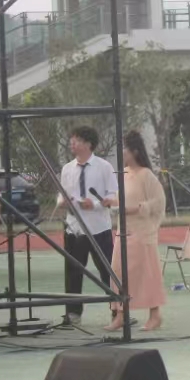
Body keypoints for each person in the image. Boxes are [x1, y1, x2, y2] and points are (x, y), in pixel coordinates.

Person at [101, 130, 166, 332]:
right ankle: (120, 314)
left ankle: (155, 315)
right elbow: (121, 199)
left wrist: (138, 208)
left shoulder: (147, 175)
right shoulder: (124, 174)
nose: (122, 153)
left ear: (135, 151)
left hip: (142, 233)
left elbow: (159, 202)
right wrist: (111, 201)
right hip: (124, 232)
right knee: (117, 272)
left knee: (147, 274)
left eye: (125, 149)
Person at [56, 126, 118, 326]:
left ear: (88, 144)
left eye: (76, 141)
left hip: (98, 227)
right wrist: (62, 202)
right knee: (73, 271)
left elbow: (113, 195)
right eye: (72, 140)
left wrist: (96, 204)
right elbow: (62, 193)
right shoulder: (67, 169)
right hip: (74, 227)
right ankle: (73, 313)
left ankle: (118, 311)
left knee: (107, 270)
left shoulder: (104, 167)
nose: (72, 144)